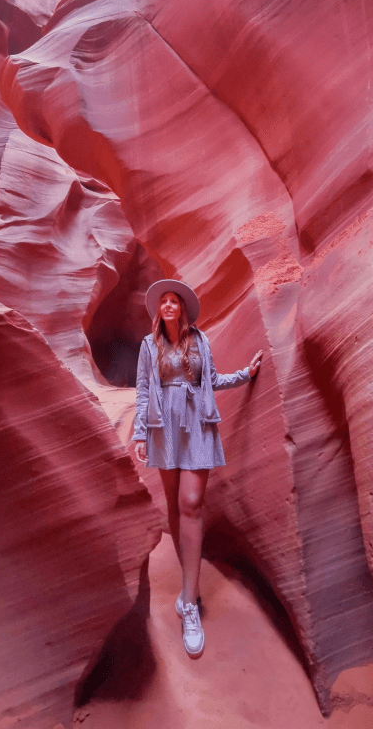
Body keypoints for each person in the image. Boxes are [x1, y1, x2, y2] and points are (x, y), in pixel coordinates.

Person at [131, 279, 263, 658]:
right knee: (174, 504)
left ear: (183, 308)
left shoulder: (200, 342)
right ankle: (192, 588)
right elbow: (142, 390)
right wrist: (141, 433)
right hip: (163, 428)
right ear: (159, 310)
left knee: (192, 502)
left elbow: (212, 380)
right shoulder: (148, 346)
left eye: (174, 300)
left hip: (197, 424)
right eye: (164, 301)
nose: (169, 305)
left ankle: (189, 604)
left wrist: (244, 375)